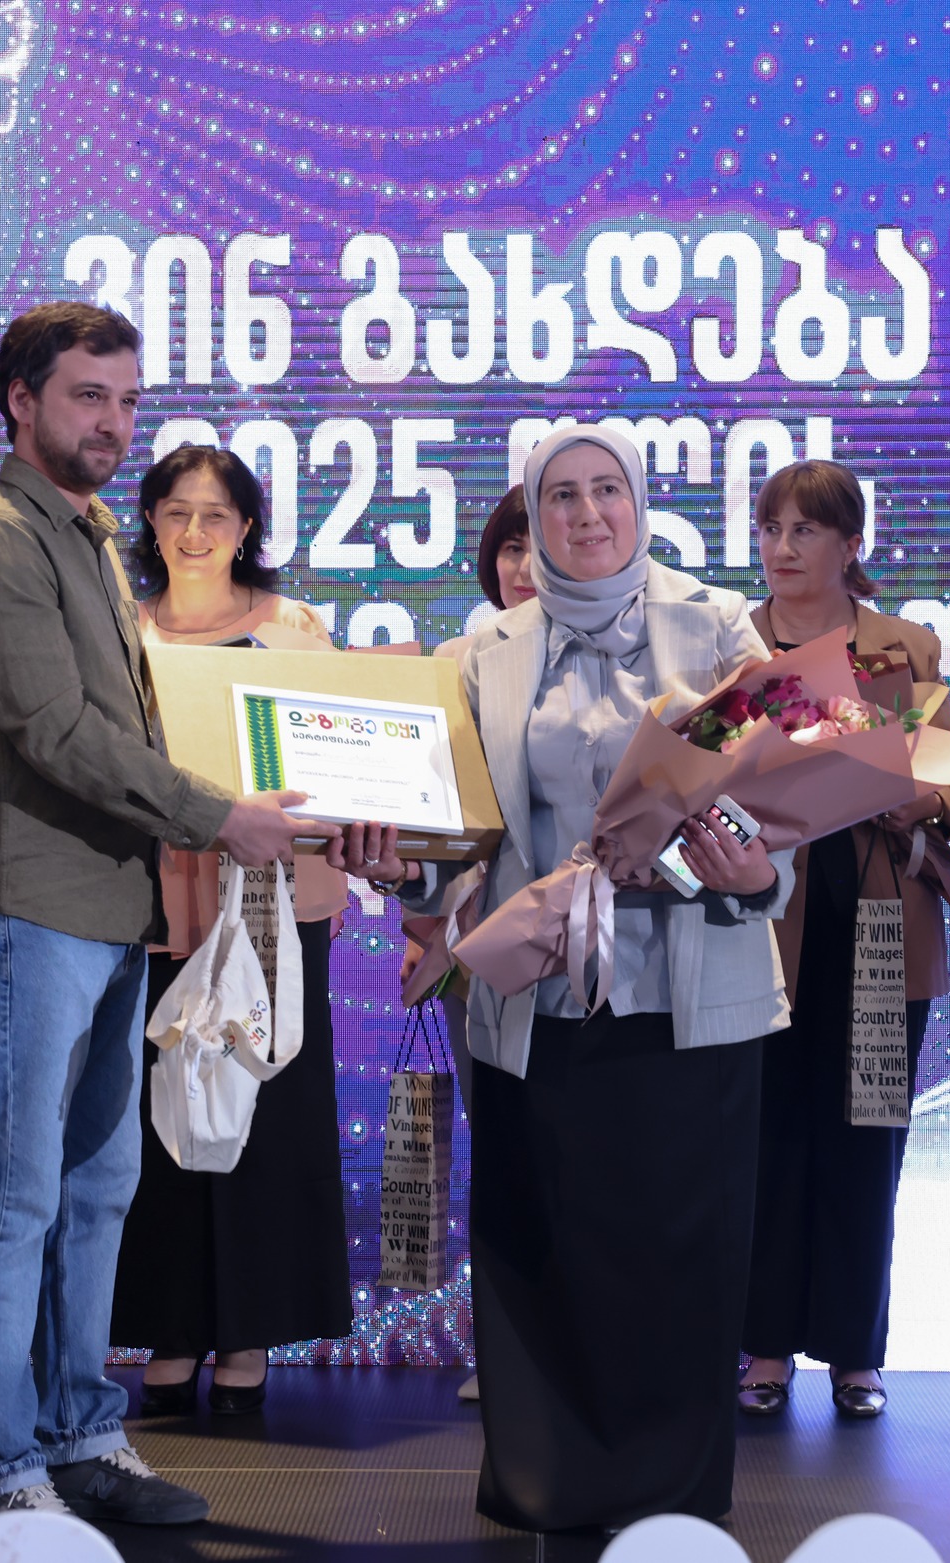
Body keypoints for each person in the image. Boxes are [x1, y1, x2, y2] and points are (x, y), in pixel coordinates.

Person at [0, 303, 322, 1535]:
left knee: (97, 1193)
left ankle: (80, 1436)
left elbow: (131, 729)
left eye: (127, 400)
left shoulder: (89, 535)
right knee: (14, 1198)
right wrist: (216, 814)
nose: (112, 422)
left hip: (110, 908)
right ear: (19, 400)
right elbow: (53, 731)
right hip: (25, 904)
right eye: (88, 396)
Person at [352, 425, 796, 1532]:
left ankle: (672, 1498)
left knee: (681, 1254)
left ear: (639, 503)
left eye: (607, 491)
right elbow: (455, 838)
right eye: (560, 496)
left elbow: (776, 804)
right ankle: (546, 1481)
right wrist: (398, 866)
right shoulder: (481, 652)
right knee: (539, 1240)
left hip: (690, 996)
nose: (587, 514)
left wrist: (749, 870)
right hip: (535, 994)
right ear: (531, 514)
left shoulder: (718, 626)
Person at [109, 444, 353, 1416]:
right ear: (150, 522)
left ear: (246, 527)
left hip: (270, 902)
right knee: (158, 1109)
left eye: (216, 514)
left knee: (264, 1107)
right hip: (152, 900)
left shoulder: (292, 630)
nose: (195, 532)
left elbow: (334, 758)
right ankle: (172, 1327)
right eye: (176, 512)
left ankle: (247, 1328)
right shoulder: (123, 629)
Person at [736, 460, 950, 1420]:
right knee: (766, 1136)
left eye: (805, 530)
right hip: (759, 918)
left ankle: (856, 1354)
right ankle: (763, 1347)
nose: (782, 548)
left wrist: (912, 794)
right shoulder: (730, 641)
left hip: (876, 909)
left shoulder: (906, 646)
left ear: (850, 543)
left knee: (869, 1138)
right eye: (770, 529)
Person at [400, 485, 533, 1406]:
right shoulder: (453, 665)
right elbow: (420, 821)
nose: (523, 566)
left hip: (586, 944)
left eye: (539, 546)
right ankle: (508, 1349)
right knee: (503, 1154)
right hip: (473, 943)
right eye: (510, 547)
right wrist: (421, 922)